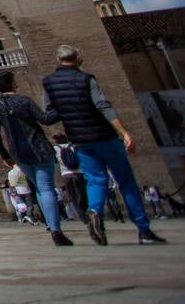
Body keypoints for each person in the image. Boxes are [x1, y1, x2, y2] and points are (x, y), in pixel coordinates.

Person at [41, 44, 166, 245]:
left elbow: (49, 114)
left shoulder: (48, 82)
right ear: (78, 57)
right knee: (126, 182)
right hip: (104, 136)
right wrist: (124, 132)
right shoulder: (86, 78)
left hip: (80, 140)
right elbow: (103, 106)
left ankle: (94, 211)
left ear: (58, 60)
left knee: (95, 180)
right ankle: (143, 230)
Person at [0, 69, 68, 244]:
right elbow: (46, 119)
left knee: (39, 188)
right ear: (12, 83)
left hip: (18, 153)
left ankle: (49, 223)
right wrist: (60, 106)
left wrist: (4, 155)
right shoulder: (24, 100)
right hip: (38, 148)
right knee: (46, 188)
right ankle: (55, 229)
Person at [52, 132, 86, 222]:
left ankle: (83, 217)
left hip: (66, 175)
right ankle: (86, 210)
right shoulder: (74, 146)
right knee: (83, 194)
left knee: (73, 196)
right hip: (79, 173)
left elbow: (54, 160)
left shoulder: (55, 149)